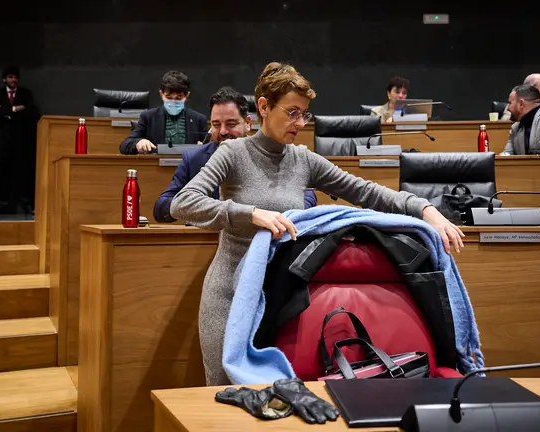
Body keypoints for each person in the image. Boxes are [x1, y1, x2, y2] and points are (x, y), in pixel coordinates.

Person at [168, 62, 464, 385]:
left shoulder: (302, 159)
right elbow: (183, 203)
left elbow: (366, 191)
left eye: (304, 114)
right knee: (225, 399)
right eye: (292, 112)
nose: (300, 122)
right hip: (228, 297)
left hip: (279, 301)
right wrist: (250, 213)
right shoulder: (233, 152)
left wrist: (425, 210)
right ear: (264, 107)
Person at [153, 86, 317, 222]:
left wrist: (282, 212)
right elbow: (161, 207)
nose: (223, 131)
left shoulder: (271, 152)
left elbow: (307, 196)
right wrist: (203, 208)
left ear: (247, 124)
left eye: (231, 124)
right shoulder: (194, 159)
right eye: (216, 125)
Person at [119, 70, 208, 154]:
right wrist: (138, 142)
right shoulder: (148, 117)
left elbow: (212, 147)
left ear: (187, 96)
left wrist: (205, 148)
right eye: (169, 97)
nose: (173, 101)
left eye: (178, 98)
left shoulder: (199, 120)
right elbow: (125, 145)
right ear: (161, 94)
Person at [0, 66, 39, 215]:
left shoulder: (25, 94)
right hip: (3, 141)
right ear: (4, 79)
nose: (13, 80)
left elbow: (29, 110)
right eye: (10, 77)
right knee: (2, 172)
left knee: (23, 173)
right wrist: (15, 109)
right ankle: (1, 203)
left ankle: (26, 203)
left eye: (16, 77)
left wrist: (7, 111)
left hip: (21, 140)